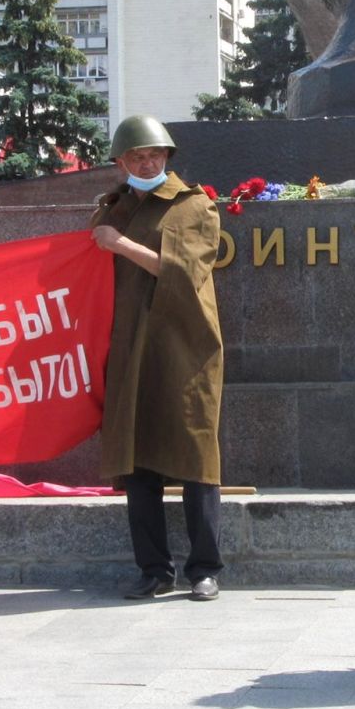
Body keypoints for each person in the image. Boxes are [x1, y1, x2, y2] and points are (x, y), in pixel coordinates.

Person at [91, 115, 226, 601]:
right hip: (129, 347)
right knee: (137, 462)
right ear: (120, 163)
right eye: (136, 157)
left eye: (155, 155)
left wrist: (121, 245)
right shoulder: (115, 207)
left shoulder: (193, 206)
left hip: (183, 345)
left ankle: (205, 568)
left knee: (195, 457)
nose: (147, 163)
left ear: (167, 158)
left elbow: (186, 273)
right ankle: (153, 569)